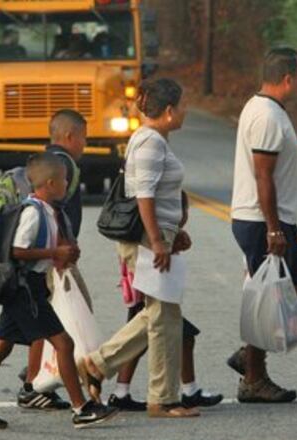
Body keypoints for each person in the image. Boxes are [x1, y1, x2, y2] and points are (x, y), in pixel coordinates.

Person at [0, 153, 118, 429]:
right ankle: (81, 407)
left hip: (26, 289)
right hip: (25, 290)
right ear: (50, 182)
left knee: (2, 346)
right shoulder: (32, 212)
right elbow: (17, 250)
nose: (69, 184)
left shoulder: (47, 210)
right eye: (65, 180)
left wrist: (63, 255)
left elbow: (42, 252)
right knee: (64, 344)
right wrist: (54, 251)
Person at [77, 78, 201, 418]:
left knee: (162, 315)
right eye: (183, 105)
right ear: (170, 110)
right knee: (162, 317)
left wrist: (175, 233)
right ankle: (162, 399)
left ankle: (99, 364)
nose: (186, 111)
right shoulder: (149, 142)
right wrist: (159, 240)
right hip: (148, 239)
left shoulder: (156, 140)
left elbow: (161, 195)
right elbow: (143, 195)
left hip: (159, 235)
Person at [228, 47, 297, 403]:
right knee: (268, 299)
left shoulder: (266, 108)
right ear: (287, 79)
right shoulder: (266, 115)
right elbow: (263, 175)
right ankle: (253, 378)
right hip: (261, 218)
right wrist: (274, 228)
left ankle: (249, 355)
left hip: (270, 218)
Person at [109, 191, 223, 412]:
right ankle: (188, 391)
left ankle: (121, 391)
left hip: (144, 295)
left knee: (149, 341)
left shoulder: (156, 233)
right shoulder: (155, 236)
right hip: (148, 296)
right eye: (182, 213)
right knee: (171, 336)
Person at [17, 110, 92, 410]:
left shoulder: (42, 160)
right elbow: (58, 209)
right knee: (55, 320)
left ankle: (37, 379)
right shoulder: (64, 166)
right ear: (70, 136)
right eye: (84, 137)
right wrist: (64, 250)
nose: (86, 144)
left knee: (45, 322)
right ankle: (35, 382)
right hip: (53, 256)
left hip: (48, 256)